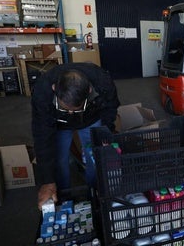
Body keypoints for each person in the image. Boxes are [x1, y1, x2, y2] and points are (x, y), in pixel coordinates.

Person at [31, 62, 120, 210]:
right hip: (59, 123)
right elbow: (42, 136)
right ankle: (64, 198)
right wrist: (47, 181)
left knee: (95, 155)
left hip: (91, 118)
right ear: (54, 89)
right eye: (66, 108)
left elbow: (111, 108)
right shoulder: (43, 92)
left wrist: (105, 133)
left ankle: (94, 192)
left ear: (89, 91)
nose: (71, 113)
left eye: (76, 108)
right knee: (59, 160)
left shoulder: (102, 82)